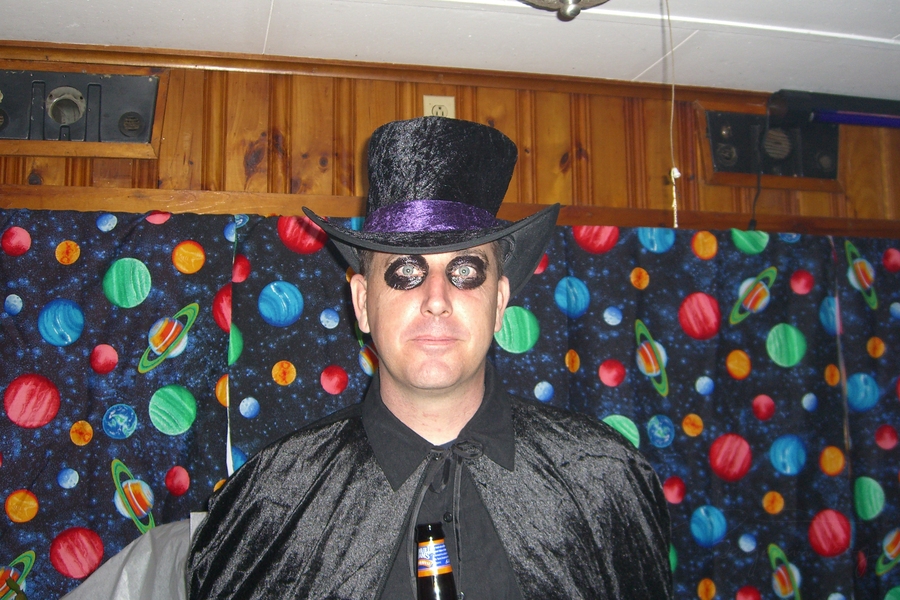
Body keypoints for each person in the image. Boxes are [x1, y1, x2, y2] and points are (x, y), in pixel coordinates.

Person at [187, 116, 673, 599]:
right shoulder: (274, 503)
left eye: (465, 271)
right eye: (405, 271)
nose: (436, 299)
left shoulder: (604, 480)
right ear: (362, 303)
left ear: (499, 303)